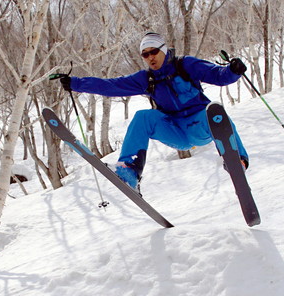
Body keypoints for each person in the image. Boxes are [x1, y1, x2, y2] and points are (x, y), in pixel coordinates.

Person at [55, 32, 249, 193]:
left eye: (153, 52)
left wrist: (233, 70)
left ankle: (236, 160)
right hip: (175, 131)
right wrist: (76, 83)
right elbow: (111, 86)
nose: (150, 57)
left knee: (214, 112)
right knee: (143, 117)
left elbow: (218, 75)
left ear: (163, 50)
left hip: (200, 125)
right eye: (145, 55)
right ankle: (130, 170)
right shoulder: (146, 78)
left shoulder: (186, 65)